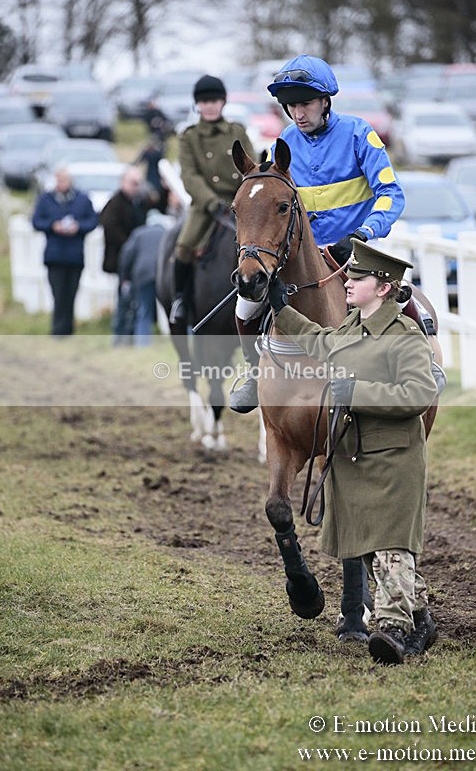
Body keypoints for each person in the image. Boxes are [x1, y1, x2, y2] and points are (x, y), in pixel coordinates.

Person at [268, 238, 439, 664]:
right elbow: (319, 340)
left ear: (383, 287)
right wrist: (281, 310)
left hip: (393, 461)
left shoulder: (404, 336)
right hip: (354, 460)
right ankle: (421, 617)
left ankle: (392, 629)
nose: (346, 282)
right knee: (369, 548)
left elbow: (419, 393)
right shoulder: (350, 329)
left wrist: (355, 392)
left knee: (391, 547)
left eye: (357, 278)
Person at [230, 54, 405, 413]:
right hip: (302, 253)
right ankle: (254, 372)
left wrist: (363, 233)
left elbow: (391, 193)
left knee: (401, 299)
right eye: (292, 106)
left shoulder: (359, 133)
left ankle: (423, 364)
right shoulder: (284, 141)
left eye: (306, 104)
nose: (298, 113)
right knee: (245, 304)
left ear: (325, 102)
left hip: (356, 248)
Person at [169, 74, 255, 326]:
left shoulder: (237, 131)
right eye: (204, 101)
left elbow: (250, 166)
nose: (209, 106)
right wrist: (210, 202)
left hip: (238, 200)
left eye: (214, 100)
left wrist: (245, 195)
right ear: (197, 104)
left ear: (223, 102)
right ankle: (180, 300)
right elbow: (189, 175)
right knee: (184, 247)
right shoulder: (189, 137)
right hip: (206, 205)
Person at [32, 166, 98, 336]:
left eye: (64, 180)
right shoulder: (46, 199)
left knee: (71, 293)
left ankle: (68, 329)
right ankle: (58, 329)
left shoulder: (82, 199)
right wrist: (53, 226)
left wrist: (78, 227)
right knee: (58, 293)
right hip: (54, 256)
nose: (61, 183)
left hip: (75, 256)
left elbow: (93, 221)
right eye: (58, 180)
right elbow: (36, 221)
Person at [100, 166, 158, 344]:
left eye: (138, 183)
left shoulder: (140, 203)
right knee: (124, 300)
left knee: (136, 302)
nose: (136, 187)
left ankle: (132, 336)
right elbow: (110, 227)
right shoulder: (115, 204)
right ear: (123, 182)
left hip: (138, 260)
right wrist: (131, 244)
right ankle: (120, 337)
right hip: (122, 260)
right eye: (133, 183)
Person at [118, 209, 167, 346]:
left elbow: (126, 256)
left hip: (143, 275)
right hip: (163, 274)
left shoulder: (139, 233)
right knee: (171, 309)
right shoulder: (166, 232)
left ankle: (143, 344)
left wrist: (124, 277)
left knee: (144, 310)